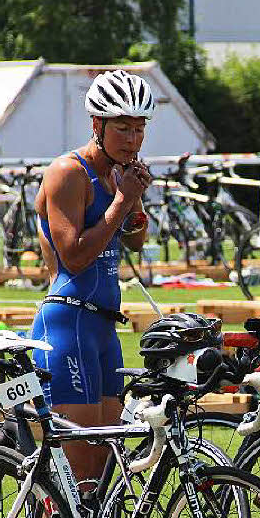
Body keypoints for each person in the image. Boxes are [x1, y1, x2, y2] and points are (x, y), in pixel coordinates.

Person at [30, 69, 154, 484]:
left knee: (102, 480)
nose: (133, 139)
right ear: (97, 124)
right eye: (123, 128)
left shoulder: (120, 173)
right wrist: (121, 202)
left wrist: (133, 203)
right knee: (74, 481)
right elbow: (75, 257)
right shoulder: (68, 172)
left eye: (139, 129)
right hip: (69, 326)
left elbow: (134, 243)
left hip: (103, 329)